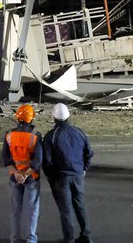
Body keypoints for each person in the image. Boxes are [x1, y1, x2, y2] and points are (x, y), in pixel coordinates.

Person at [43, 103, 94, 243]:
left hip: (61, 177)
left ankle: (69, 239)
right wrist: (84, 168)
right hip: (77, 175)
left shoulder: (51, 136)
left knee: (66, 210)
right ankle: (86, 236)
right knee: (80, 205)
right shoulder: (79, 132)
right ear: (68, 116)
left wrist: (51, 177)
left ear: (54, 117)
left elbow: (46, 161)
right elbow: (89, 152)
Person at [2, 104, 43, 243]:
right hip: (31, 177)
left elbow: (6, 159)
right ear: (31, 118)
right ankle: (31, 239)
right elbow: (37, 161)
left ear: (17, 117)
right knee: (32, 210)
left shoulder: (9, 134)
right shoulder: (35, 135)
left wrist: (17, 174)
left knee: (15, 210)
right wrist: (25, 175)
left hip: (14, 177)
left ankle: (14, 238)